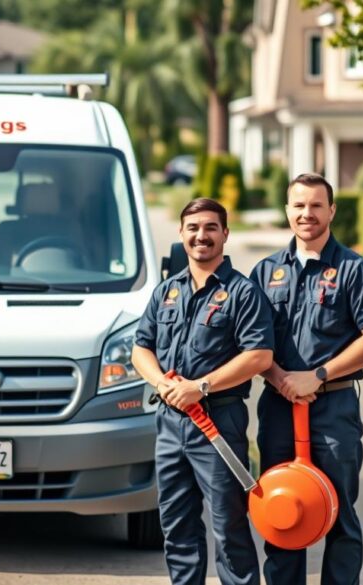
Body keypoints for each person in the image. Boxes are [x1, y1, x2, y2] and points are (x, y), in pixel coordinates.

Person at [250, 173, 363, 585]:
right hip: (278, 408)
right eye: (298, 205)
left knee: (340, 514)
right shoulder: (266, 272)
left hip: (333, 409)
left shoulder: (354, 269)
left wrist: (318, 375)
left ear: (331, 210)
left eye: (316, 205)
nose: (306, 213)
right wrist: (279, 379)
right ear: (287, 211)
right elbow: (253, 344)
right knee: (282, 509)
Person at [131, 198, 273, 585]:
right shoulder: (166, 292)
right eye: (193, 228)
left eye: (211, 227)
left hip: (217, 422)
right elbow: (140, 347)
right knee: (176, 526)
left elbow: (259, 355)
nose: (201, 236)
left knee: (228, 527)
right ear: (181, 234)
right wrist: (162, 383)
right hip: (170, 422)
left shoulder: (243, 293)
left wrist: (201, 386)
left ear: (225, 234)